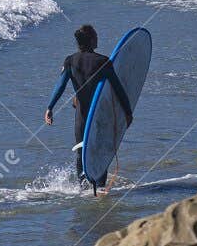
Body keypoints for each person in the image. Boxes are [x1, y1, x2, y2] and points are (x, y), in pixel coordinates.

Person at [44, 23, 132, 194]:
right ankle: (99, 189)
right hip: (100, 116)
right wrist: (127, 112)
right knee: (101, 153)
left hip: (82, 115)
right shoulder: (103, 61)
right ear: (91, 40)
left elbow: (60, 85)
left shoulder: (70, 61)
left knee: (81, 153)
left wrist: (50, 107)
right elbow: (118, 88)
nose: (98, 38)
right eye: (96, 36)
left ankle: (82, 190)